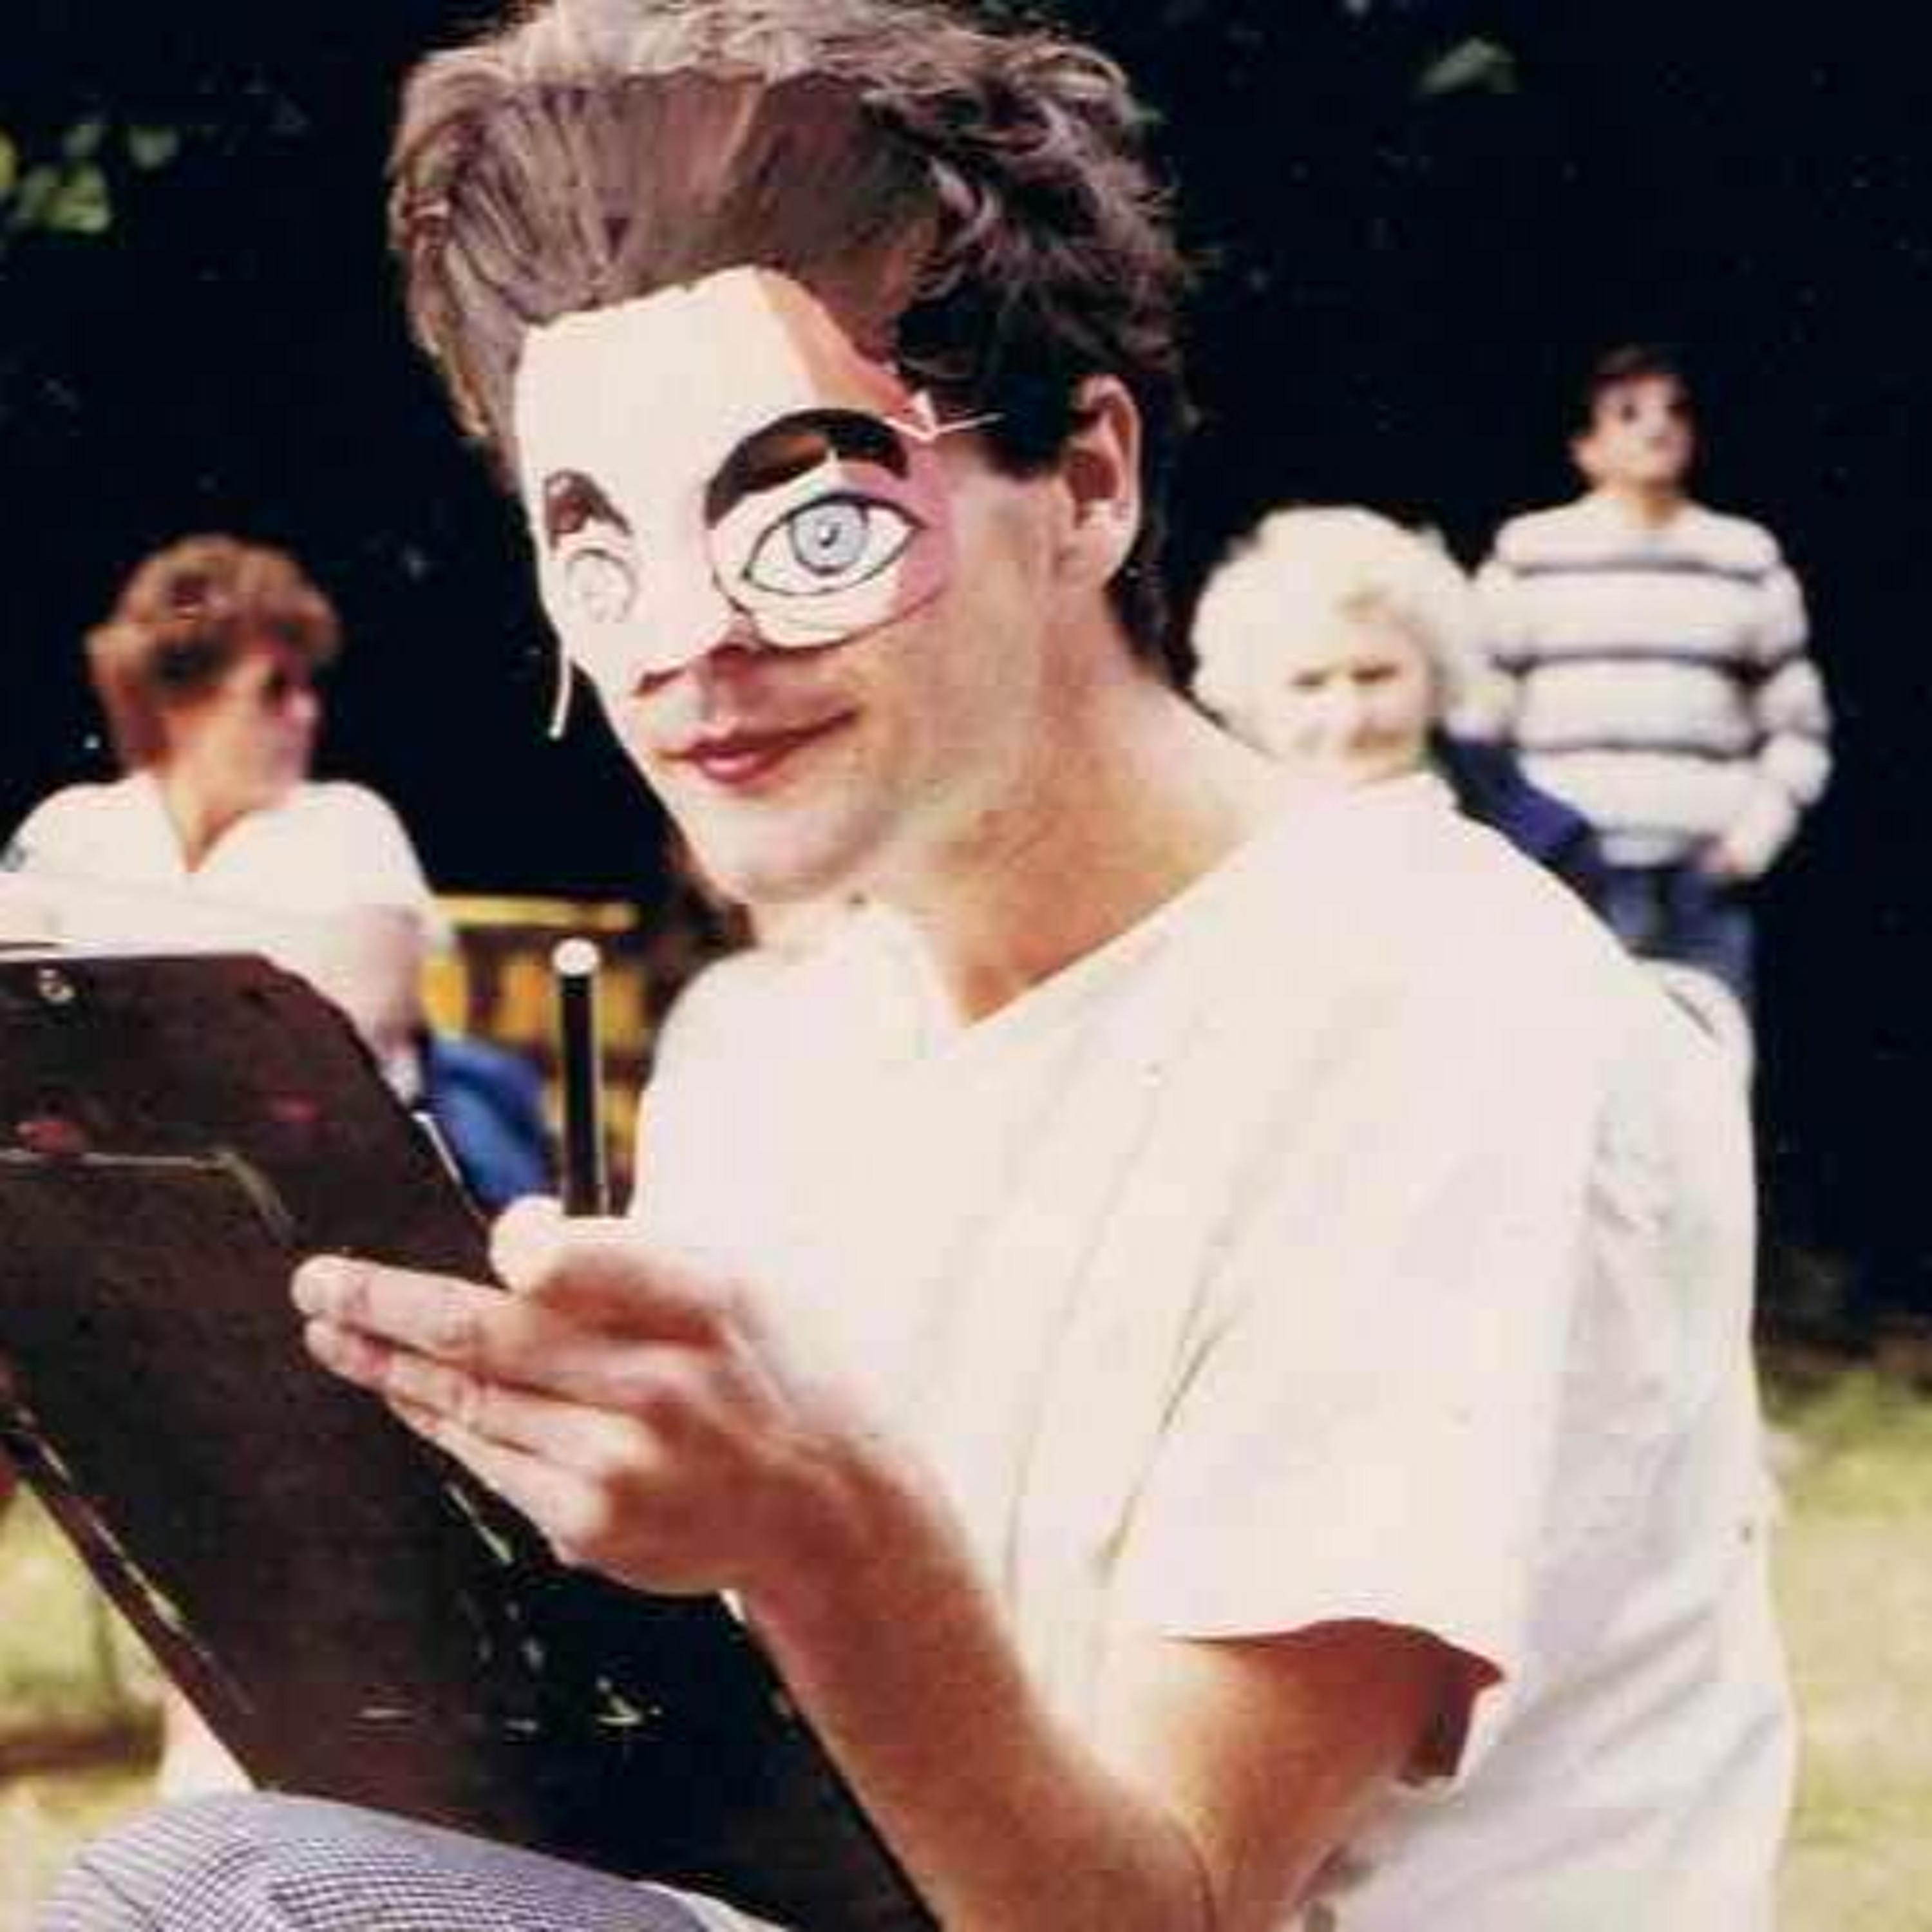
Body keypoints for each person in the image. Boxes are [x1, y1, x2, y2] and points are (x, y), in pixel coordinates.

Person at [44, 6, 1792, 1930]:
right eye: (593, 543)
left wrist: (821, 1537)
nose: (684, 643)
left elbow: (1164, 1910)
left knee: (215, 1893)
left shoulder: (1435, 1012)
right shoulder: (772, 1048)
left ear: (1090, 480)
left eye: (805, 517)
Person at [1473, 343, 1832, 1022]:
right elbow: (1476, 722)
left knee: (1705, 1070)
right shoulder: (1530, 554)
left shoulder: (1743, 558)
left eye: (1675, 410)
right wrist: (1529, 839)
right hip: (1566, 874)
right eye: (1629, 412)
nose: (1658, 427)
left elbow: (1799, 731)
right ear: (1586, 447)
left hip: (1698, 882)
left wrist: (1746, 845)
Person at [1191, 504, 1605, 905]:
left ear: (1440, 674)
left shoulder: (1544, 843)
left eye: (1375, 676)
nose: (1349, 717)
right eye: (1309, 684)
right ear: (1248, 697)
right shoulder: (1198, 853)